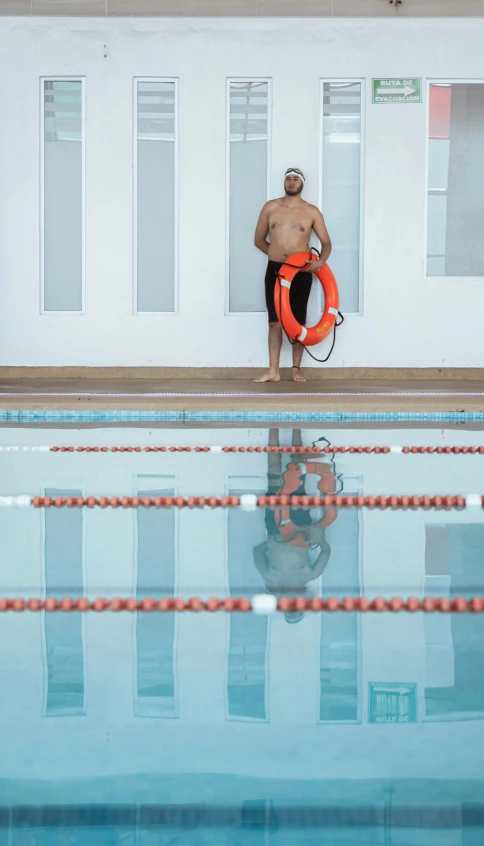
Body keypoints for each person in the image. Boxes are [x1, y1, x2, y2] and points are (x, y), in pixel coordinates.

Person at [253, 168, 332, 384]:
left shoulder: (311, 211)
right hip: (276, 270)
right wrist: (278, 256)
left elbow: (326, 243)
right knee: (274, 322)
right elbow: (259, 239)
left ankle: (296, 370)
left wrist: (320, 262)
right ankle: (273, 371)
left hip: (301, 272)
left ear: (302, 184)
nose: (291, 182)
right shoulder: (271, 207)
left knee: (299, 322)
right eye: (288, 178)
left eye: (296, 178)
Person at [253, 429, 335, 624]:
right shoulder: (311, 574)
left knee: (274, 474)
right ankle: (296, 424)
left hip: (275, 527)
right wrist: (318, 536)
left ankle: (273, 426)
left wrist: (273, 541)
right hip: (299, 523)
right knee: (296, 472)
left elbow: (257, 552)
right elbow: (326, 551)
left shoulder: (270, 578)